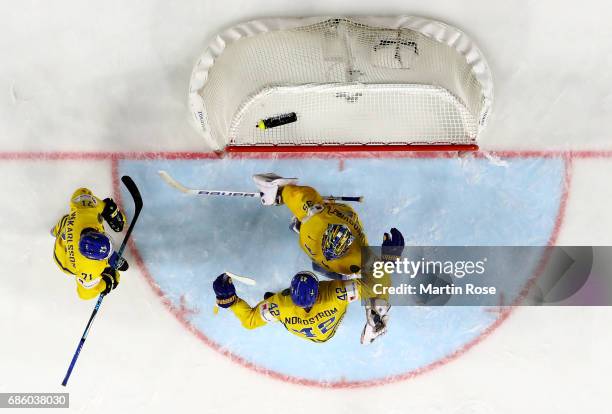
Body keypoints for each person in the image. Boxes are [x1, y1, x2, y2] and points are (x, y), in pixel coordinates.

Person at [213, 227, 404, 344]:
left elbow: (249, 321)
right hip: (329, 324)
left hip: (300, 324)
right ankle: (376, 315)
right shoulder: (335, 293)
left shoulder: (281, 305)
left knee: (271, 306)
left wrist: (229, 300)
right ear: (319, 289)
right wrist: (388, 260)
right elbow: (379, 285)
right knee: (362, 277)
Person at [52, 187, 127, 300]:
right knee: (115, 277)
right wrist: (106, 283)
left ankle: (55, 231)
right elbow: (84, 294)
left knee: (65, 222)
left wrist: (105, 208)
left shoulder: (85, 212)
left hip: (66, 228)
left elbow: (80, 194)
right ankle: (55, 231)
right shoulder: (89, 269)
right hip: (63, 259)